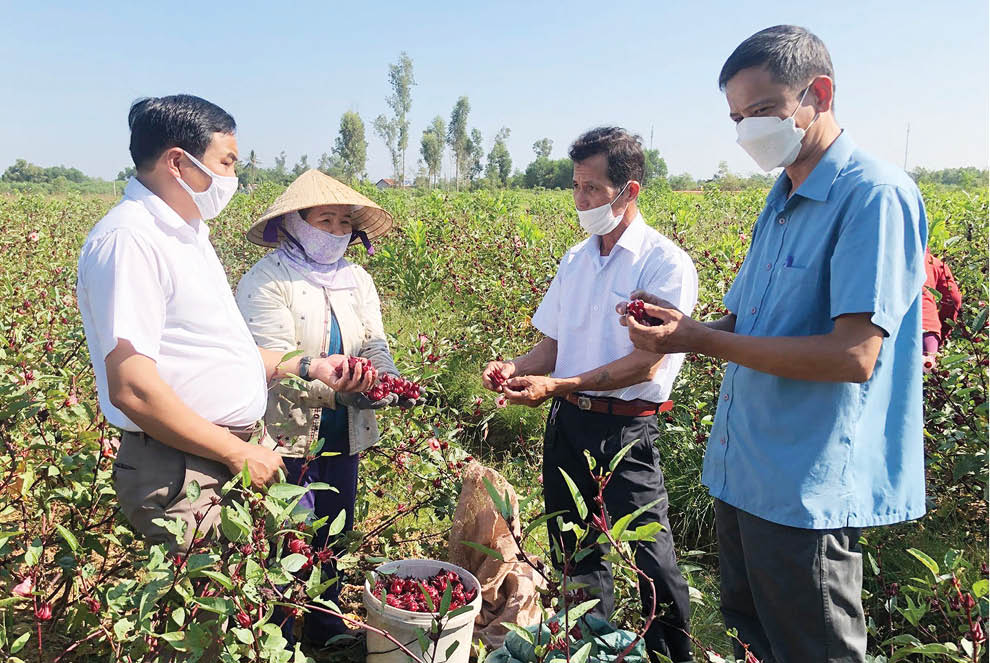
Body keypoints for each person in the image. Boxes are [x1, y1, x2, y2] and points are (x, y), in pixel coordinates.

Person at [618, 26, 927, 663]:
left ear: (819, 93)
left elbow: (853, 355)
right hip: (746, 471)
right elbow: (744, 324)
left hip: (806, 488)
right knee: (753, 639)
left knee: (812, 649)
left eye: (760, 112)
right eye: (736, 117)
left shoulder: (872, 195)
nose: (746, 131)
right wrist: (681, 327)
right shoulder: (781, 196)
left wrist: (700, 339)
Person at [76, 95, 365, 555]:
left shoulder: (186, 235)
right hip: (183, 467)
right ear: (178, 163)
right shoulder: (130, 240)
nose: (234, 177)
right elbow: (131, 388)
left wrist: (310, 366)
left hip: (216, 455)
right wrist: (236, 452)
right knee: (213, 613)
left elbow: (217, 353)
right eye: (227, 163)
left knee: (255, 596)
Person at [482, 127, 698, 663]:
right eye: (576, 187)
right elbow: (555, 343)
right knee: (575, 552)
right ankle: (588, 647)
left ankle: (672, 655)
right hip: (568, 424)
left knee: (653, 560)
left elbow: (646, 360)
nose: (581, 201)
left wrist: (561, 384)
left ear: (629, 191)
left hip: (627, 431)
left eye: (592, 189)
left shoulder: (663, 263)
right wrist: (516, 366)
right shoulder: (577, 259)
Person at [236, 169, 417, 648]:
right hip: (285, 429)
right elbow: (268, 362)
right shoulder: (268, 279)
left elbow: (375, 342)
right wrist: (336, 383)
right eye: (325, 220)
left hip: (344, 426)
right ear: (295, 223)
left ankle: (325, 622)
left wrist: (385, 380)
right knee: (285, 529)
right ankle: (274, 632)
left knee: (335, 524)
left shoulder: (357, 279)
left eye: (343, 223)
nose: (336, 231)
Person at [921, 247, 963, 371]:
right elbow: (954, 300)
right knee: (922, 385)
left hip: (886, 328)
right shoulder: (935, 263)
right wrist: (941, 332)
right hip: (927, 330)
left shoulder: (886, 257)